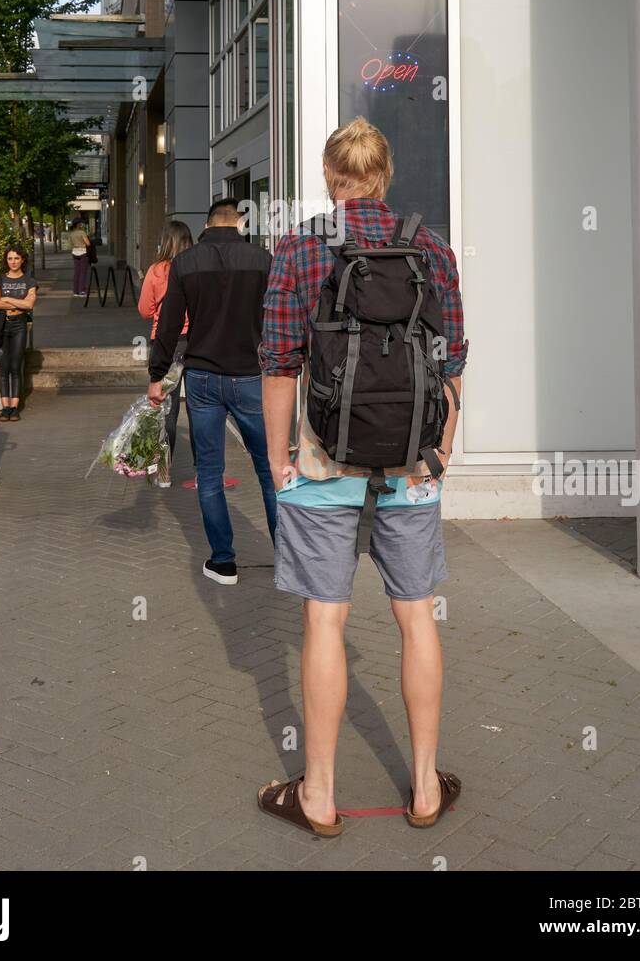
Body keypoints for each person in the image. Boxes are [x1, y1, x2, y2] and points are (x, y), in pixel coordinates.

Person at [257, 117, 468, 838]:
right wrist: (438, 451)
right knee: (416, 616)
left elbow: (280, 362)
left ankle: (318, 794)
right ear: (384, 174)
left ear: (330, 175)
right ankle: (424, 788)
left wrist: (281, 460)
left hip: (323, 464)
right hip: (411, 466)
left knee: (325, 618)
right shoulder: (430, 248)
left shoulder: (302, 247)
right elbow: (454, 362)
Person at [148, 198, 277, 585]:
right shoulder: (263, 259)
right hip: (251, 375)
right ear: (238, 223)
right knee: (270, 470)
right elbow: (277, 316)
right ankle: (288, 558)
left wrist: (158, 375)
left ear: (206, 225)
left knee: (209, 472)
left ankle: (223, 561)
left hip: (202, 376)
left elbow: (168, 324)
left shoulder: (186, 263)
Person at [138, 219, 194, 482]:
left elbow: (144, 310)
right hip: (194, 342)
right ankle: (204, 473)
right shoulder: (195, 268)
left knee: (166, 409)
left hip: (165, 343)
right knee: (199, 408)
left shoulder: (156, 270)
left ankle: (163, 471)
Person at [0, 246, 39, 423]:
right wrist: (19, 302)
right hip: (2, 326)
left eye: (17, 258)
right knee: (3, 368)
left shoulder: (30, 281)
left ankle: (15, 408)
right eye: (10, 258)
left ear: (22, 260)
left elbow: (29, 305)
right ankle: (6, 408)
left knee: (16, 367)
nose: (13, 262)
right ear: (6, 261)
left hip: (19, 326)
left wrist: (8, 299)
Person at [69, 217, 91, 296]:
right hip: (82, 252)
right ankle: (81, 291)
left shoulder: (72, 233)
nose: (81, 224)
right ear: (78, 224)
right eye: (80, 223)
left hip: (74, 252)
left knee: (76, 272)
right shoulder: (82, 232)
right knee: (82, 272)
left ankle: (75, 291)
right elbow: (88, 243)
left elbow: (70, 244)